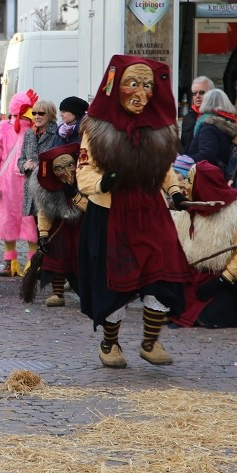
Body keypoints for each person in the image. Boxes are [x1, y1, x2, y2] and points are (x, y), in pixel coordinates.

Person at [77, 55, 190, 368]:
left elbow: (163, 167)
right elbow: (83, 173)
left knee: (162, 273)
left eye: (147, 85)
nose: (141, 92)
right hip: (110, 212)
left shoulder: (159, 129)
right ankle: (110, 344)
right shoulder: (96, 129)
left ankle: (150, 341)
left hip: (149, 211)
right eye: (133, 84)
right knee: (114, 283)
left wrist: (175, 190)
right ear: (116, 88)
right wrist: (104, 181)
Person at [172, 161, 237, 329]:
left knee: (213, 316)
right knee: (170, 308)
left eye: (190, 181)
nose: (185, 184)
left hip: (226, 279)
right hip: (194, 275)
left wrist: (222, 280)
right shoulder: (188, 207)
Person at [0, 90, 40, 276]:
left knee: (31, 221)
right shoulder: (3, 128)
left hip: (31, 184)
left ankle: (33, 262)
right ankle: (10, 260)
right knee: (7, 222)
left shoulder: (36, 129)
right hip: (7, 185)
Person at [29, 143, 85, 307]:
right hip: (59, 229)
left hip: (80, 227)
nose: (66, 171)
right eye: (60, 168)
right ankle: (57, 293)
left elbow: (90, 206)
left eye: (70, 165)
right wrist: (43, 234)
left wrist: (75, 196)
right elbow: (44, 212)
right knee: (57, 256)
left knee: (81, 258)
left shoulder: (85, 182)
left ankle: (86, 291)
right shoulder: (48, 189)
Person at [19, 99, 59, 222]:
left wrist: (37, 166)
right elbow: (21, 158)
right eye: (34, 113)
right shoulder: (29, 134)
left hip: (48, 190)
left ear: (50, 115)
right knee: (37, 229)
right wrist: (24, 165)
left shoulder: (57, 133)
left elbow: (59, 162)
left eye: (41, 113)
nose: (36, 116)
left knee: (48, 231)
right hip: (31, 189)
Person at [186, 89, 237, 174]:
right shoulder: (231, 122)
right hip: (226, 172)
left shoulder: (209, 127)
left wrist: (186, 159)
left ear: (206, 103)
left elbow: (206, 154)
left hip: (210, 175)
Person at [180, 77, 214, 154]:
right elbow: (183, 144)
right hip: (189, 162)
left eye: (202, 92)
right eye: (194, 93)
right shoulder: (188, 117)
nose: (197, 96)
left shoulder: (218, 116)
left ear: (211, 94)